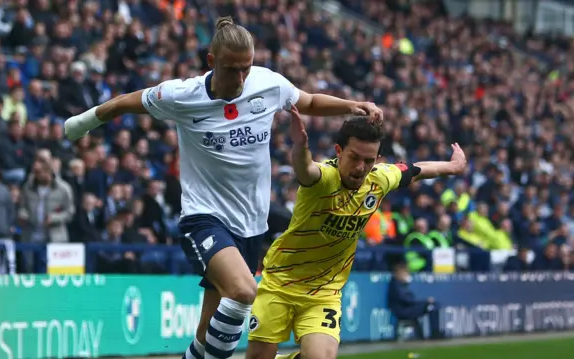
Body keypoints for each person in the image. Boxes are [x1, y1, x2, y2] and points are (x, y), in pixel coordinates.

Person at [64, 16, 383, 359]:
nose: (242, 78)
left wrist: (353, 105)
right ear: (212, 62)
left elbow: (306, 102)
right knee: (244, 291)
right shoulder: (182, 95)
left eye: (247, 68)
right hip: (205, 217)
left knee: (205, 341)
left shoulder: (268, 84)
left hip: (250, 225)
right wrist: (80, 124)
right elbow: (126, 101)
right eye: (233, 69)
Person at [245, 107, 466, 359]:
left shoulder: (380, 179)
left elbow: (418, 170)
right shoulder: (323, 178)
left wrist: (452, 166)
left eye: (369, 160)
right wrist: (300, 147)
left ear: (378, 159)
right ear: (339, 151)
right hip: (281, 284)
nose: (361, 167)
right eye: (354, 157)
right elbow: (305, 169)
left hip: (325, 292)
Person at [388, 259, 443, 340]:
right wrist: (425, 301)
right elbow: (405, 299)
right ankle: (435, 333)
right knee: (430, 306)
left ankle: (435, 331)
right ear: (399, 273)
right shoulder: (396, 284)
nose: (407, 275)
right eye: (405, 273)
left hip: (407, 308)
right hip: (402, 310)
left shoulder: (401, 284)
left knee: (433, 306)